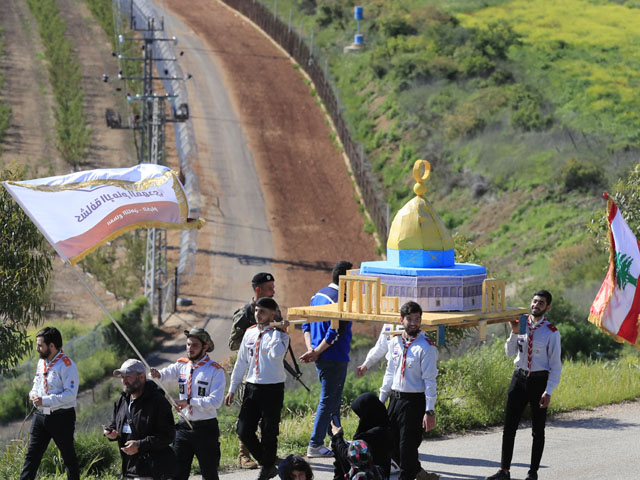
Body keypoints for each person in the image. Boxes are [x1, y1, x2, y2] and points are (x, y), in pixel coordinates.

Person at [485, 290, 561, 480]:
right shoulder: (521, 323)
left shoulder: (551, 332)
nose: (536, 305)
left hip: (539, 381)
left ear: (547, 308)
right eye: (534, 301)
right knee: (509, 426)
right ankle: (504, 470)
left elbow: (555, 365)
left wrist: (548, 391)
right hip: (519, 379)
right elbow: (510, 353)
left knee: (538, 429)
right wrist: (514, 332)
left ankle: (533, 472)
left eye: (541, 303)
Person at [225, 297, 290, 480]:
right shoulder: (250, 333)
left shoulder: (282, 336)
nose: (258, 315)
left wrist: (278, 330)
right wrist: (232, 388)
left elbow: (276, 354)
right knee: (243, 429)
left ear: (273, 314)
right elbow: (241, 362)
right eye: (256, 311)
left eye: (262, 312)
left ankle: (266, 468)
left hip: (272, 389)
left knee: (269, 431)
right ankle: (267, 463)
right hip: (252, 387)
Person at [150, 327, 225, 480]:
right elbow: (163, 375)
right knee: (176, 473)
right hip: (183, 427)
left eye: (194, 345)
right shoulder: (181, 366)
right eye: (188, 344)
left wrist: (189, 402)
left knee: (209, 474)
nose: (190, 349)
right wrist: (157, 374)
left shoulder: (215, 371)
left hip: (206, 429)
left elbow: (216, 402)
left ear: (205, 347)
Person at [379, 301, 439, 480]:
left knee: (407, 448)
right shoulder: (395, 342)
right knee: (391, 445)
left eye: (417, 319)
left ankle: (410, 474)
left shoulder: (426, 346)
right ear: (401, 320)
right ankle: (418, 473)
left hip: (414, 402)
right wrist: (381, 401)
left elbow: (430, 381)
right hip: (395, 400)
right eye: (410, 319)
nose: (414, 323)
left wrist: (430, 410)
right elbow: (390, 372)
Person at [300, 260, 353, 458]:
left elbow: (306, 325)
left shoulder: (317, 296)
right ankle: (315, 444)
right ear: (347, 279)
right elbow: (334, 332)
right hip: (334, 356)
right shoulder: (342, 301)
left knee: (333, 400)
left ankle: (336, 437)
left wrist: (312, 349)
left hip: (320, 356)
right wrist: (318, 351)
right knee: (329, 400)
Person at [229, 272, 281, 470]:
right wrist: (253, 338)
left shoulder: (274, 309)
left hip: (269, 372)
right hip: (248, 372)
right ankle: (244, 456)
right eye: (269, 287)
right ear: (258, 289)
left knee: (268, 423)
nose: (273, 291)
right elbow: (233, 343)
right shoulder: (244, 314)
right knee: (247, 420)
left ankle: (267, 455)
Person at [20, 326, 80, 480]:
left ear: (51, 346)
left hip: (61, 417)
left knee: (68, 458)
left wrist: (45, 400)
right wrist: (33, 394)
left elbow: (70, 394)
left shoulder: (67, 365)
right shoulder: (42, 362)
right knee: (31, 456)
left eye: (40, 345)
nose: (37, 348)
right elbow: (37, 383)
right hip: (41, 416)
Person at [104, 359, 176, 480]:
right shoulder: (121, 401)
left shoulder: (158, 402)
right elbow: (115, 425)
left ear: (142, 377)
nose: (124, 381)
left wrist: (139, 445)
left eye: (128, 376)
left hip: (151, 469)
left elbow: (168, 435)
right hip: (128, 468)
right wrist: (111, 433)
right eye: (122, 377)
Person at [330, 392, 391, 480]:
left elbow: (349, 456)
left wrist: (337, 437)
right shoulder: (384, 428)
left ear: (367, 413)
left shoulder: (371, 435)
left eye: (359, 413)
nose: (357, 416)